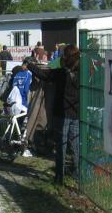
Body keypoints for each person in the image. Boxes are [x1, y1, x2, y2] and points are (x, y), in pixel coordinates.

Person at [29, 44, 80, 183]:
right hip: (76, 113)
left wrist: (30, 65)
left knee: (61, 146)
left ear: (65, 58)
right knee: (75, 145)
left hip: (61, 113)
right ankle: (78, 174)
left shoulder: (60, 73)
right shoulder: (81, 73)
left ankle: (59, 176)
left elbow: (44, 75)